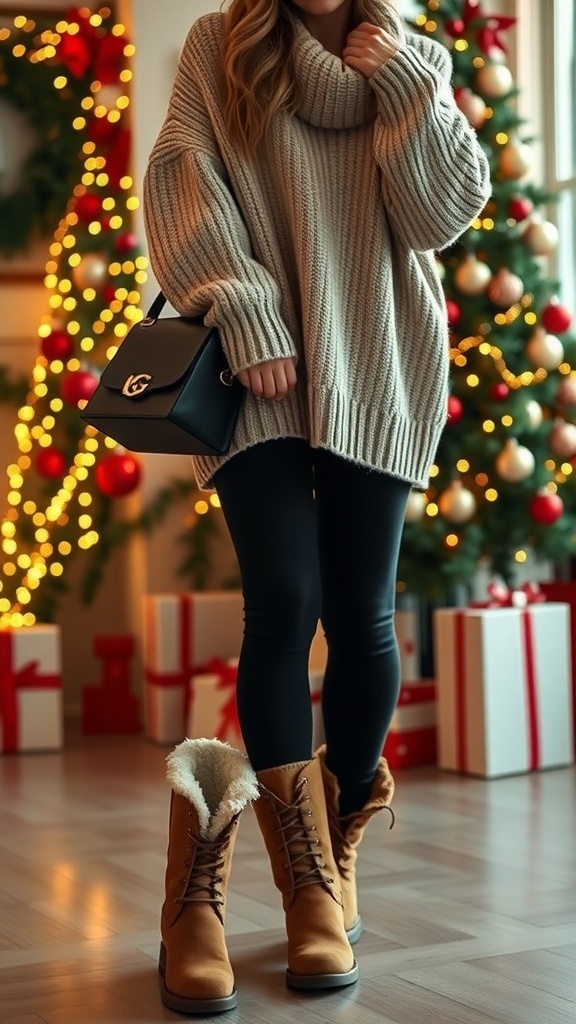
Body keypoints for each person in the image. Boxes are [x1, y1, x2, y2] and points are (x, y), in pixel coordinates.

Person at [144, 0, 491, 1014]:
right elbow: (180, 189)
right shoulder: (222, 45)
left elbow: (439, 217)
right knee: (285, 604)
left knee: (364, 613)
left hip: (379, 363)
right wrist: (244, 304)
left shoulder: (412, 55)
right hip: (252, 371)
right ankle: (304, 885)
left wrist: (410, 90)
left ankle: (333, 864)